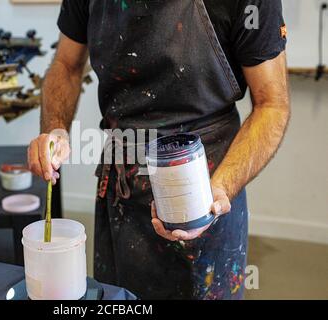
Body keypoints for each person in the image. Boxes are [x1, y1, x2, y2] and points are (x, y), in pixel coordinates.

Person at [28, 0, 290, 299]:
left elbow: (272, 105)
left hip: (205, 183)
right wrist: (54, 129)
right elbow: (66, 65)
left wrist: (220, 188)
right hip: (122, 185)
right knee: (120, 297)